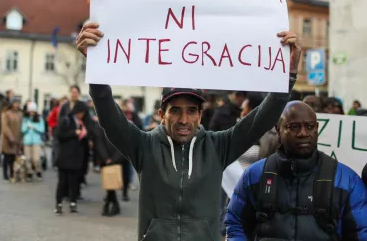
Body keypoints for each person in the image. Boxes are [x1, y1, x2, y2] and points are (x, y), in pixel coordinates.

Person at [76, 22, 301, 241]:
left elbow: (262, 120)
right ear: (161, 115)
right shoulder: (144, 146)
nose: (184, 119)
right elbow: (109, 117)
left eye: (192, 111)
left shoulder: (218, 146)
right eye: (175, 111)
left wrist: (287, 76)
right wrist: (96, 69)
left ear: (200, 115)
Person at [225, 101, 367, 241]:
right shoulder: (254, 176)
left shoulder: (346, 180)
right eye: (294, 127)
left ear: (317, 128)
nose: (303, 133)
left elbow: (361, 231)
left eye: (310, 126)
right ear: (278, 130)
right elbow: (235, 225)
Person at [54, 101, 89, 214]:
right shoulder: (66, 120)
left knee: (74, 182)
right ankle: (58, 204)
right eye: (81, 113)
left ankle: (73, 202)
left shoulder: (81, 122)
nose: (82, 115)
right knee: (62, 181)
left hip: (76, 156)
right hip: (65, 155)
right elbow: (60, 136)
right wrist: (75, 133)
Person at [94, 121, 124, 217]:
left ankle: (109, 204)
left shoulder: (120, 125)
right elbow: (99, 143)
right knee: (109, 182)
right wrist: (106, 158)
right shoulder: (100, 125)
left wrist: (114, 159)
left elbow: (123, 143)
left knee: (113, 182)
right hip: (105, 159)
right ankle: (113, 205)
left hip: (117, 158)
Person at [21, 102, 45, 181]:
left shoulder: (39, 119)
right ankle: (29, 173)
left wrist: (35, 128)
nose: (31, 113)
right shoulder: (25, 119)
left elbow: (42, 130)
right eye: (30, 111)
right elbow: (22, 130)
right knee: (28, 158)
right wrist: (27, 127)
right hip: (27, 141)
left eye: (33, 111)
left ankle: (38, 171)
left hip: (36, 141)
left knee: (36, 159)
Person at [0, 99, 23, 182]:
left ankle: (13, 174)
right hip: (8, 139)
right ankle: (5, 175)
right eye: (16, 103)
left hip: (17, 138)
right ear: (12, 104)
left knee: (14, 158)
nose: (17, 105)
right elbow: (5, 127)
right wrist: (11, 137)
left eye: (18, 103)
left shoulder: (20, 114)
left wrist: (21, 139)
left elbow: (22, 126)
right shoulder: (6, 113)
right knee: (7, 157)